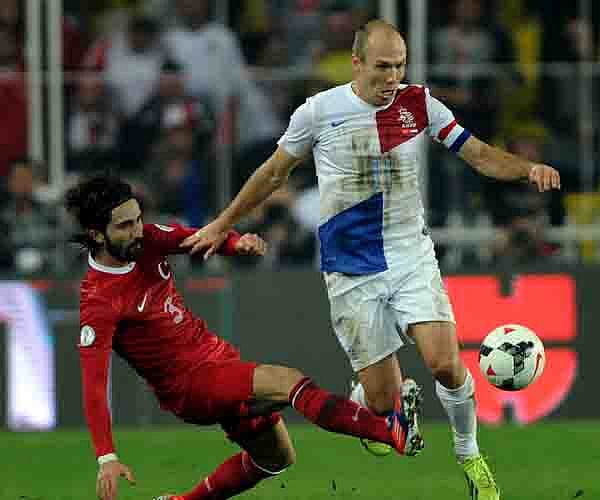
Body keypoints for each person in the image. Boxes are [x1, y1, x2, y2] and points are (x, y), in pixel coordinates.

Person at [180, 20, 561, 500]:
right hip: (350, 268)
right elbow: (274, 172)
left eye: (399, 66)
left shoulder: (418, 103)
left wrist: (529, 168)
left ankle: (469, 455)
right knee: (381, 404)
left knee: (444, 363)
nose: (392, 77)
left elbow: (479, 154)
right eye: (382, 66)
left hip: (409, 255)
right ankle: (375, 398)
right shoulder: (319, 111)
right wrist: (223, 222)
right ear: (356, 63)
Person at [66, 175, 422, 500]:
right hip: (190, 385)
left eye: (138, 219)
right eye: (125, 226)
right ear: (97, 233)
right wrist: (106, 457)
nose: (137, 230)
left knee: (276, 458)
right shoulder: (99, 301)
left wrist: (236, 244)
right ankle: (389, 431)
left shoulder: (148, 240)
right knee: (289, 382)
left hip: (217, 358)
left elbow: (195, 238)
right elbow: (93, 386)